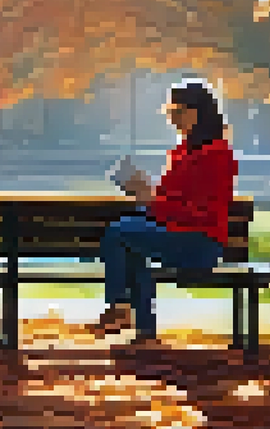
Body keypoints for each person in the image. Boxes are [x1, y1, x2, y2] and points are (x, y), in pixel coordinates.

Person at [92, 80, 239, 343]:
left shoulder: (216, 155)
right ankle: (144, 332)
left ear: (197, 112)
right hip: (179, 236)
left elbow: (201, 213)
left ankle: (119, 306)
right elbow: (172, 200)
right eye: (170, 112)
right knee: (130, 244)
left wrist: (153, 201)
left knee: (118, 234)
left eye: (178, 112)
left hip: (198, 244)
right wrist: (146, 191)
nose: (173, 119)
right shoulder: (182, 152)